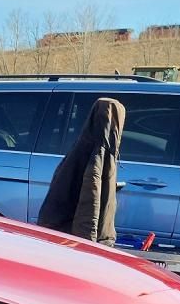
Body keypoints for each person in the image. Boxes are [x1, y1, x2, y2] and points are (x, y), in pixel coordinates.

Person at [38, 98, 126, 244]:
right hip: (69, 236)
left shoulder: (85, 149)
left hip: (62, 231)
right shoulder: (97, 156)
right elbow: (89, 205)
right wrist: (87, 247)